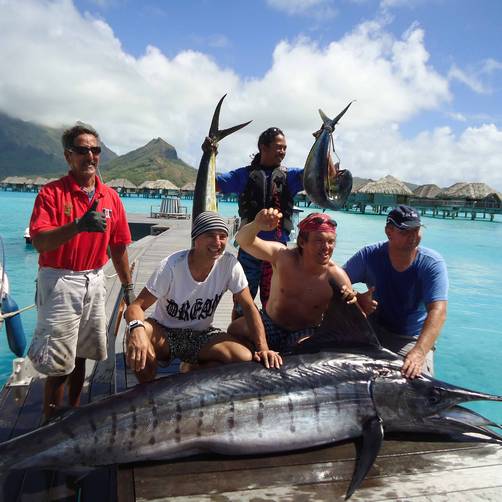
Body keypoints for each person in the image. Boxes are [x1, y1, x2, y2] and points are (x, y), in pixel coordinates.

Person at [28, 123, 134, 419]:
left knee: (83, 355)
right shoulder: (51, 194)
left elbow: (119, 247)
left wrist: (128, 289)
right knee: (58, 363)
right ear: (68, 155)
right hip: (60, 281)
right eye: (83, 150)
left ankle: (72, 417)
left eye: (95, 150)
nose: (91, 156)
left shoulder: (110, 197)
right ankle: (49, 426)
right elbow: (39, 241)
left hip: (95, 279)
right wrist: (77, 226)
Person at [124, 211, 281, 382]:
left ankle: (192, 368)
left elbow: (249, 307)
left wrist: (263, 347)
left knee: (244, 358)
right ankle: (148, 391)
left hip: (200, 335)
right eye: (210, 235)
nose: (217, 242)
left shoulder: (229, 264)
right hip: (164, 332)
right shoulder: (171, 266)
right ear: (196, 239)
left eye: (222, 236)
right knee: (139, 337)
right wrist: (136, 329)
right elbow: (136, 307)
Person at [216, 127, 339, 312]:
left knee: (273, 302)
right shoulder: (243, 175)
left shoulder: (291, 177)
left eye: (285, 148)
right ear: (263, 147)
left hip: (278, 253)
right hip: (249, 249)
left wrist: (324, 140)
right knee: (242, 302)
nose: (282, 152)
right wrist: (210, 154)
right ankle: (239, 336)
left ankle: (268, 337)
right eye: (278, 147)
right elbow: (214, 183)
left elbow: (327, 175)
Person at [228, 209, 356, 353]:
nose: (326, 247)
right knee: (236, 328)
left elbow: (352, 315)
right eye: (319, 241)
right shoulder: (282, 257)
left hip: (304, 332)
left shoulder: (337, 276)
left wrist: (358, 301)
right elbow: (243, 241)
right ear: (302, 242)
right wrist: (257, 225)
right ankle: (256, 359)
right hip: (271, 324)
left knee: (305, 347)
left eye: (331, 242)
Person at [343, 205, 448, 379]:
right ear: (389, 232)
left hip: (411, 338)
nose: (413, 236)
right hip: (372, 331)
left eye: (417, 230)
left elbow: (439, 311)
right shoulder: (370, 255)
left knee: (417, 384)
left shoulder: (431, 264)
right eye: (406, 231)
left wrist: (419, 352)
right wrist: (356, 297)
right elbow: (335, 280)